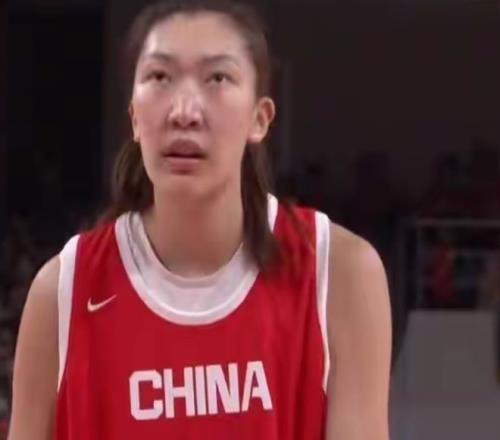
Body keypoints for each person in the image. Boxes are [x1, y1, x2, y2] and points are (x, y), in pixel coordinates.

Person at [8, 1, 392, 439]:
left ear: (260, 118)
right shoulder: (61, 291)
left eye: (217, 78)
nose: (184, 111)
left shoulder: (340, 271)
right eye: (160, 77)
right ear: (134, 118)